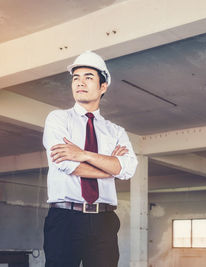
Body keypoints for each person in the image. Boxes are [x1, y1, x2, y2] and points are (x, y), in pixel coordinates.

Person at [42, 51, 138, 267]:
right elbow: (67, 164)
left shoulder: (116, 132)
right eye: (76, 78)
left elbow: (129, 168)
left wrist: (83, 154)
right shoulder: (58, 119)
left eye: (88, 77)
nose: (80, 83)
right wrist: (111, 168)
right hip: (65, 218)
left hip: (104, 220)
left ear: (103, 87)